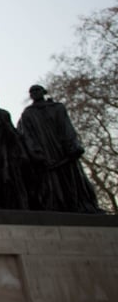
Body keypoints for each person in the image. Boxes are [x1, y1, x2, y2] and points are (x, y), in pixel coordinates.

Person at [17, 85, 100, 213]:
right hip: (45, 150)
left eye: (37, 90)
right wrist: (35, 152)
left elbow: (67, 126)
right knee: (50, 182)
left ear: (43, 92)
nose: (34, 93)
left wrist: (73, 145)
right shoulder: (28, 113)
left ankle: (77, 204)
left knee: (71, 179)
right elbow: (28, 135)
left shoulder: (58, 108)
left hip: (62, 149)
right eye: (32, 91)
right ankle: (54, 205)